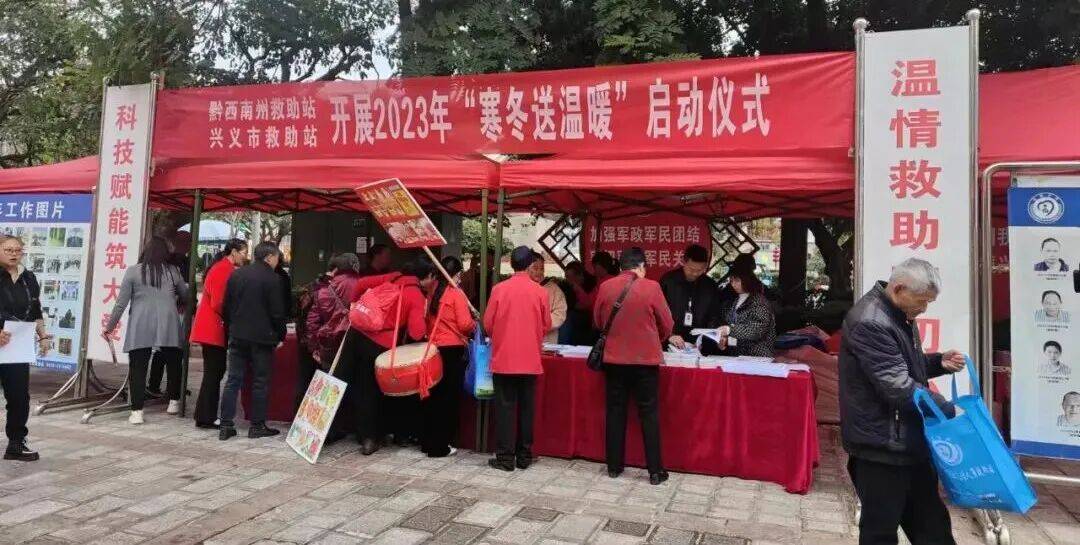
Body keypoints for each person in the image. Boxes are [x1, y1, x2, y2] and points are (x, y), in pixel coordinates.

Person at [840, 257, 966, 545]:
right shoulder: (870, 321)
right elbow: (897, 386)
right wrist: (950, 411)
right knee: (881, 532)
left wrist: (937, 362)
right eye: (922, 301)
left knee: (932, 528)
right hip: (881, 447)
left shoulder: (899, 315)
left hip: (905, 440)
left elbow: (900, 366)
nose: (924, 308)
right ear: (898, 289)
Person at [593, 247, 674, 485]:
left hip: (614, 360)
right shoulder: (652, 287)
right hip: (645, 362)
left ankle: (614, 467)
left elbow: (598, 320)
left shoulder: (606, 286)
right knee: (649, 413)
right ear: (641, 266)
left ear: (621, 267)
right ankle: (655, 471)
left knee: (615, 411)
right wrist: (655, 339)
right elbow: (667, 324)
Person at [341, 257, 436, 454]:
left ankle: (360, 433)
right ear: (425, 276)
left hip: (356, 335)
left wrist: (354, 304)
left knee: (360, 387)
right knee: (377, 391)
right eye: (431, 278)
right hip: (380, 345)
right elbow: (416, 332)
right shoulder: (416, 295)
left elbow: (360, 284)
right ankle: (373, 437)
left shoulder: (392, 277)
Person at [103, 236, 189, 425]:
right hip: (169, 323)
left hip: (140, 323)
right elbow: (185, 294)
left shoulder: (133, 271)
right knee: (174, 362)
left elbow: (121, 304)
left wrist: (109, 327)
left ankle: (137, 411)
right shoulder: (173, 271)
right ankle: (174, 401)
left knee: (138, 367)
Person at [484, 246, 551, 471]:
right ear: (530, 264)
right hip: (530, 360)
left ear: (511, 264)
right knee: (526, 409)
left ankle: (505, 457)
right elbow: (546, 324)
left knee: (505, 409)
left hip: (504, 358)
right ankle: (524, 456)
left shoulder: (499, 290)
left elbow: (488, 324)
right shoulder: (540, 292)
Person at [218, 242, 288, 440]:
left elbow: (226, 307)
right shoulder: (273, 279)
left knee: (233, 379)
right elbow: (277, 313)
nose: (278, 261)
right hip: (262, 338)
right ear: (269, 257)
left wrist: (232, 328)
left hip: (238, 335)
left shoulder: (237, 274)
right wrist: (280, 335)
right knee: (260, 381)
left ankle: (225, 425)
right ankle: (257, 425)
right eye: (277, 257)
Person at [0, 235, 50, 461]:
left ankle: (16, 443)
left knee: (19, 396)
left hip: (17, 346)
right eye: (8, 250)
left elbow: (35, 310)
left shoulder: (28, 278)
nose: (13, 254)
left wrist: (43, 336)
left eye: (18, 250)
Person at [190, 238, 248, 429]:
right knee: (213, 373)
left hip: (212, 328)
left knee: (214, 372)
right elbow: (219, 302)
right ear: (234, 252)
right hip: (213, 328)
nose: (245, 256)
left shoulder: (223, 268)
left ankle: (204, 414)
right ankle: (206, 416)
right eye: (243, 252)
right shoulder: (223, 270)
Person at [421, 255, 475, 457]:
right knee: (448, 399)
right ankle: (441, 445)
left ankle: (428, 442)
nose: (460, 278)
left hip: (434, 349)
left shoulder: (432, 292)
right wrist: (474, 322)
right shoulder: (456, 294)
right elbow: (464, 324)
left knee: (433, 397)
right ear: (456, 274)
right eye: (459, 274)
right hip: (452, 350)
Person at [659, 244, 719, 350]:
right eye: (691, 269)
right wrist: (669, 335)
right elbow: (658, 314)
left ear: (706, 266)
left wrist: (709, 337)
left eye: (700, 270)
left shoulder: (710, 285)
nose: (695, 273)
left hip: (700, 345)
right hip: (671, 343)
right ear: (684, 262)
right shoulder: (668, 281)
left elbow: (714, 316)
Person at [305, 253, 361, 364]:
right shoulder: (364, 285)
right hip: (357, 345)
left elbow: (312, 322)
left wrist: (314, 348)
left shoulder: (323, 292)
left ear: (336, 270)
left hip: (330, 345)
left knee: (331, 373)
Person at [715, 267, 776, 358]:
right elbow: (728, 323)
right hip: (737, 356)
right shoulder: (733, 301)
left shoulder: (760, 302)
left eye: (737, 281)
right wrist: (724, 340)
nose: (733, 284)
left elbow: (757, 330)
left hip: (758, 356)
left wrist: (730, 330)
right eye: (731, 281)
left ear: (747, 280)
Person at [529, 252, 567, 344]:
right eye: (535, 268)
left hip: (547, 339)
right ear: (526, 268)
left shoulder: (554, 289)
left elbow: (560, 313)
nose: (539, 272)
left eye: (542, 268)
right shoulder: (520, 288)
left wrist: (540, 323)